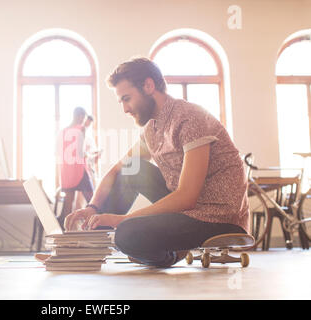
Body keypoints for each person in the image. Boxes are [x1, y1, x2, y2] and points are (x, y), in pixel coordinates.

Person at [64, 57, 249, 267]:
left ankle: (170, 254)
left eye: (127, 98)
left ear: (149, 86)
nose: (125, 109)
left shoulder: (190, 118)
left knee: (127, 233)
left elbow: (187, 197)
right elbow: (118, 169)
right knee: (132, 170)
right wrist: (93, 208)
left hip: (216, 217)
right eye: (121, 101)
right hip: (188, 210)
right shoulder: (151, 129)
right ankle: (87, 249)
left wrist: (122, 220)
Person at [57, 107, 94, 228]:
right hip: (79, 170)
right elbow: (80, 152)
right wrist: (89, 156)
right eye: (83, 118)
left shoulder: (62, 131)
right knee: (93, 201)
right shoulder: (81, 129)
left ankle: (63, 233)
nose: (83, 121)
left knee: (68, 205)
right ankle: (99, 228)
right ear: (80, 116)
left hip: (66, 171)